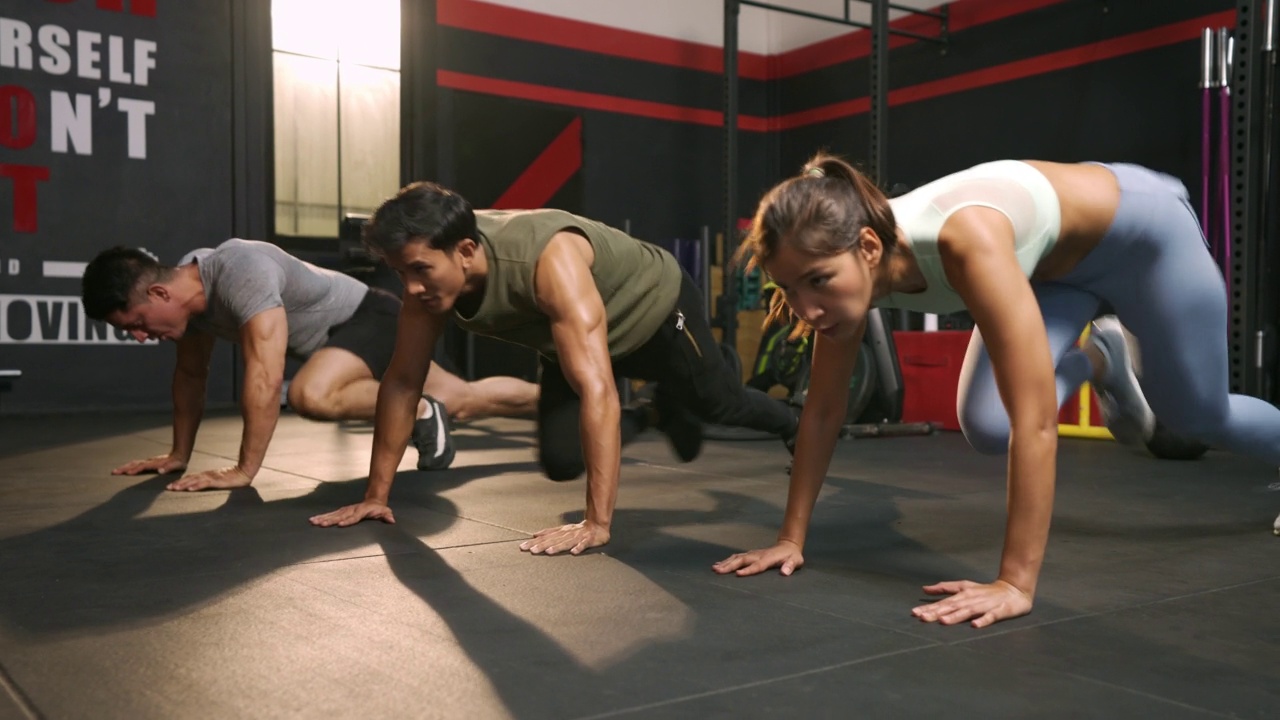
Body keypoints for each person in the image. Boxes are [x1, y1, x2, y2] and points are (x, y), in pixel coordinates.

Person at [712, 152, 1280, 628]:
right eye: (788, 286)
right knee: (987, 425)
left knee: (1197, 415)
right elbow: (823, 408)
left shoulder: (965, 241)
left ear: (867, 247)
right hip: (1052, 268)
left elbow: (1038, 421)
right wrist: (790, 539)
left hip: (1144, 236)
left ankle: (1107, 361)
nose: (807, 310)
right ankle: (1099, 360)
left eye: (816, 283)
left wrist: (1014, 582)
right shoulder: (840, 272)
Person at [308, 183, 799, 553]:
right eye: (400, 272)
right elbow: (402, 382)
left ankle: (791, 422)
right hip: (579, 341)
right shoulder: (428, 286)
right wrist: (376, 495)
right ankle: (659, 411)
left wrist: (597, 524)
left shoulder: (546, 259)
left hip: (657, 313)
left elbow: (598, 390)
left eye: (419, 270)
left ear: (465, 251)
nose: (410, 287)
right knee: (563, 460)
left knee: (720, 402)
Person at [81, 242, 540, 490]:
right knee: (463, 398)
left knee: (309, 395)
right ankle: (558, 396)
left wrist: (243, 471)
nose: (142, 336)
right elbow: (190, 377)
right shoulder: (190, 304)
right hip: (343, 341)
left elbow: (264, 373)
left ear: (159, 294)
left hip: (368, 317)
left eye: (138, 323)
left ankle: (418, 410)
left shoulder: (240, 270)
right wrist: (178, 455)